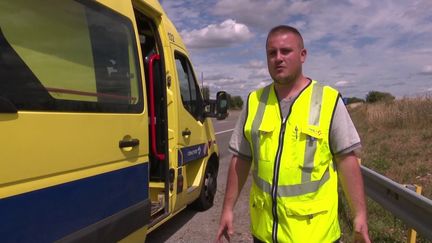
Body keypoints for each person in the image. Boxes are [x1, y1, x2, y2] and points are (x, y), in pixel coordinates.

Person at [215, 25, 371, 243]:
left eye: (285, 51)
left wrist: (360, 215)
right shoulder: (254, 101)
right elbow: (241, 158)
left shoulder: (328, 100)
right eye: (272, 53)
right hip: (265, 234)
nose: (278, 58)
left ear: (302, 55)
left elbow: (347, 161)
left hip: (315, 236)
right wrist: (228, 210)